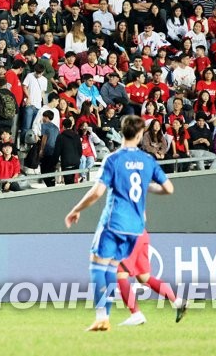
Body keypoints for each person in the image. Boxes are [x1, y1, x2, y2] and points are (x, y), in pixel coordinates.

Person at [64, 115, 174, 332]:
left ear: (122, 132)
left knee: (97, 265)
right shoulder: (148, 160)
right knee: (112, 268)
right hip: (136, 228)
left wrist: (76, 210)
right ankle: (107, 315)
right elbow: (169, 188)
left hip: (114, 221)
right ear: (141, 134)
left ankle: (101, 317)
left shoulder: (113, 159)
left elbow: (97, 192)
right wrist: (146, 187)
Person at [115, 230, 187, 326]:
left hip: (128, 235)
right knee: (144, 277)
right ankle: (178, 301)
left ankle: (136, 315)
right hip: (141, 234)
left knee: (121, 275)